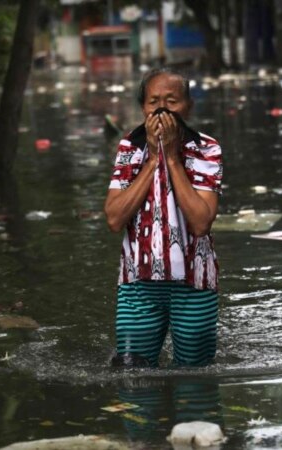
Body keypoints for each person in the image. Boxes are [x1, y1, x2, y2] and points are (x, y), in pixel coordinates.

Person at [103, 67, 223, 368]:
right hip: (137, 284)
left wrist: (170, 157)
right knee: (132, 375)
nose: (161, 110)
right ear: (143, 107)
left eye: (171, 101)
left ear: (188, 106)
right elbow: (115, 219)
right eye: (153, 101)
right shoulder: (130, 147)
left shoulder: (206, 149)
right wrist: (154, 159)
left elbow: (200, 223)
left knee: (194, 380)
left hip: (195, 284)